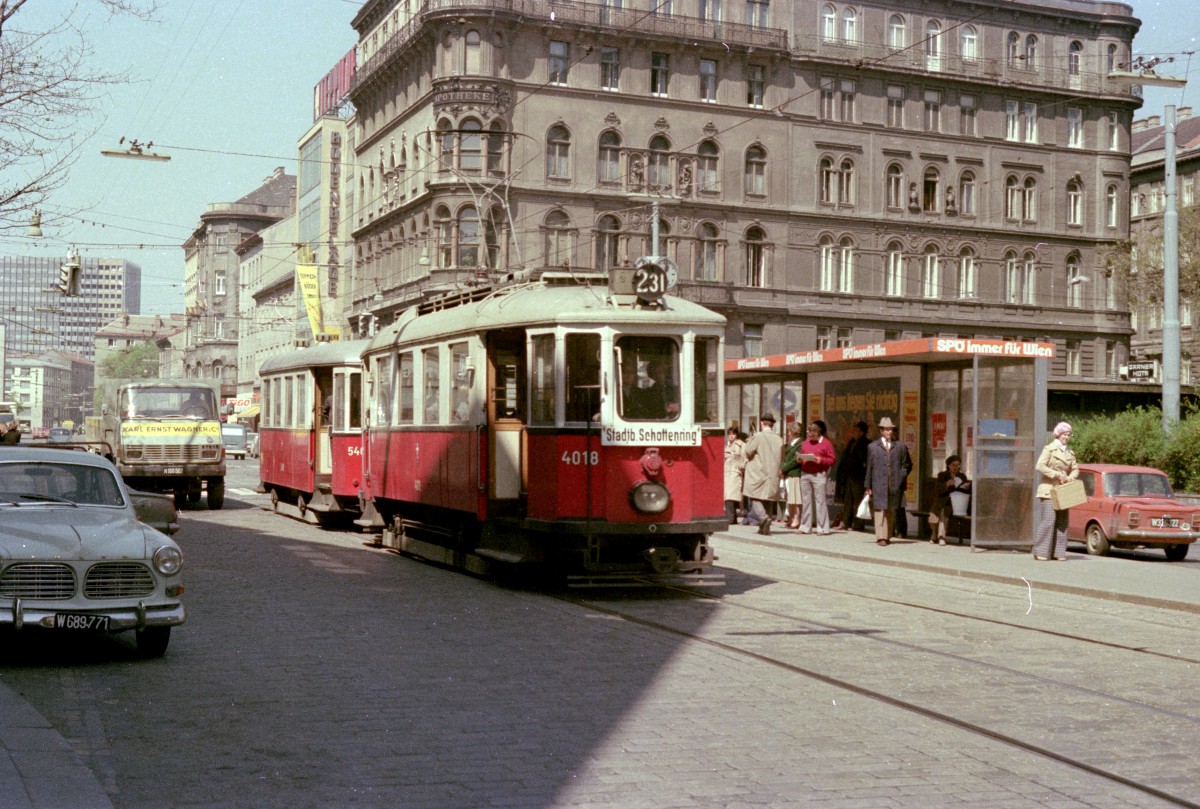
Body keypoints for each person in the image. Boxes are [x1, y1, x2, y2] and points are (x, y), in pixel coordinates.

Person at [864, 416, 912, 547]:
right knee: (879, 509)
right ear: (881, 431)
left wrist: (901, 476)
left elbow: (906, 464)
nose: (889, 432)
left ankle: (888, 535)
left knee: (890, 510)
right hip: (878, 482)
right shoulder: (873, 447)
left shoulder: (900, 446)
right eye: (886, 429)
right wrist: (868, 485)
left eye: (891, 429)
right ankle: (881, 537)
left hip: (894, 483)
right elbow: (870, 467)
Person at [1033, 421, 1079, 561]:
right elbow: (1040, 466)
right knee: (1049, 520)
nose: (1067, 437)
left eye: (1069, 435)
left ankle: (1058, 553)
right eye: (1065, 434)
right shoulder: (1049, 449)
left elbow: (1075, 468)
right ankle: (1041, 552)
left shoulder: (1070, 452)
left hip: (1063, 491)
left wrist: (1069, 478)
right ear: (1058, 435)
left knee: (1062, 522)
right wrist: (1056, 474)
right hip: (1048, 490)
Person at [742, 413, 784, 535]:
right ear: (772, 425)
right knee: (768, 499)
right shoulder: (779, 439)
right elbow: (783, 456)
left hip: (758, 473)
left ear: (761, 423)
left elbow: (748, 451)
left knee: (754, 496)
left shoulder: (758, 436)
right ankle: (765, 527)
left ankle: (763, 517)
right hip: (772, 474)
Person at [833, 421, 869, 531]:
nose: (853, 433)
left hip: (858, 476)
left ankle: (858, 524)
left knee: (858, 500)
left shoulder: (866, 444)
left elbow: (864, 460)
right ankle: (845, 522)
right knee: (848, 500)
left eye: (856, 430)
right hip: (848, 475)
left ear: (862, 432)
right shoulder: (851, 442)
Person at [929, 455, 971, 545]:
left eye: (958, 465)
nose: (956, 467)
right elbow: (937, 490)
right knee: (934, 514)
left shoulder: (962, 476)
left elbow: (964, 491)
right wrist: (946, 485)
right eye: (953, 465)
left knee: (944, 512)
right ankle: (934, 533)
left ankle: (941, 536)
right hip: (942, 500)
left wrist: (966, 487)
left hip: (956, 503)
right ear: (948, 465)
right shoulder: (942, 475)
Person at [779, 422, 805, 529]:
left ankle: (797, 518)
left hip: (795, 473)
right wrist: (782, 468)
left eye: (789, 430)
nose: (788, 433)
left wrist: (784, 468)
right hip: (788, 473)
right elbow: (785, 457)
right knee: (790, 498)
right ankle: (790, 518)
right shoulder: (791, 442)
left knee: (796, 498)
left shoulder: (801, 443)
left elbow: (795, 460)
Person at [723, 427, 747, 525]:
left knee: (731, 495)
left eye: (733, 434)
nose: (731, 436)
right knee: (729, 495)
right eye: (729, 434)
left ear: (736, 435)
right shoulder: (727, 445)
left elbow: (744, 458)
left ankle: (731, 518)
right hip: (727, 471)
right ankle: (733, 517)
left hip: (735, 471)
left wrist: (741, 468)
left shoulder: (741, 445)